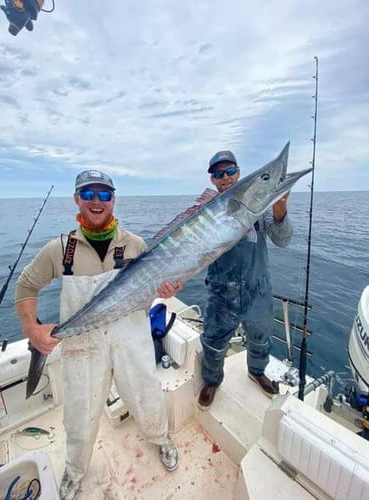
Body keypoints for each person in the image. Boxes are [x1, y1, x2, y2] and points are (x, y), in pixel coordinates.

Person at [15, 170, 183, 500]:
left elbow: (153, 291)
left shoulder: (135, 244)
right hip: (82, 345)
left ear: (114, 199)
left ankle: (161, 439)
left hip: (131, 338)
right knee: (80, 412)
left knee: (146, 395)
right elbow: (26, 285)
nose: (96, 201)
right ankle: (75, 470)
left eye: (104, 195)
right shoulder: (58, 250)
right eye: (88, 194)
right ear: (77, 199)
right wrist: (32, 330)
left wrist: (168, 288)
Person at [198, 151, 293, 410]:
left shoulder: (260, 208)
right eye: (219, 174)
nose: (226, 177)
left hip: (257, 290)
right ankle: (211, 380)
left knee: (261, 337)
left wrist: (280, 211)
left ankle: (257, 371)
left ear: (239, 173)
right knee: (214, 342)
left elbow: (283, 241)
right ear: (213, 180)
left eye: (230, 171)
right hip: (220, 292)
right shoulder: (205, 212)